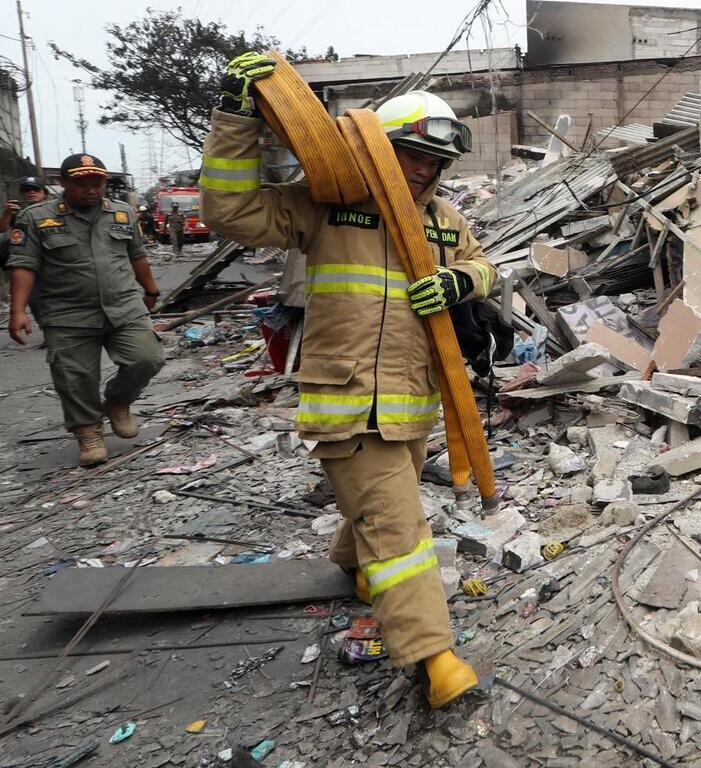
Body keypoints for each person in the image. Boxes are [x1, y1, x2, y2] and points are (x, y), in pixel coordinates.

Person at [200, 52, 496, 709]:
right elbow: (230, 211)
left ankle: (352, 564)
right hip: (349, 400)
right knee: (399, 527)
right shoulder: (329, 206)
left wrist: (462, 280)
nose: (423, 171)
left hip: (412, 404)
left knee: (378, 504)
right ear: (380, 147)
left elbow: (484, 265)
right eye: (412, 155)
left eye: (434, 162)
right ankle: (434, 658)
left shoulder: (444, 219)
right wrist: (235, 115)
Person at [6, 155, 165, 467]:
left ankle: (118, 401)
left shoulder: (122, 213)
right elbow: (23, 265)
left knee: (147, 359)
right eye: (82, 184)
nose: (92, 190)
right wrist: (18, 310)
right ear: (63, 184)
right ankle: (89, 432)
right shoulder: (37, 217)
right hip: (67, 312)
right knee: (75, 376)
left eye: (98, 183)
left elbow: (137, 255)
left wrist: (150, 289)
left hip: (124, 304)